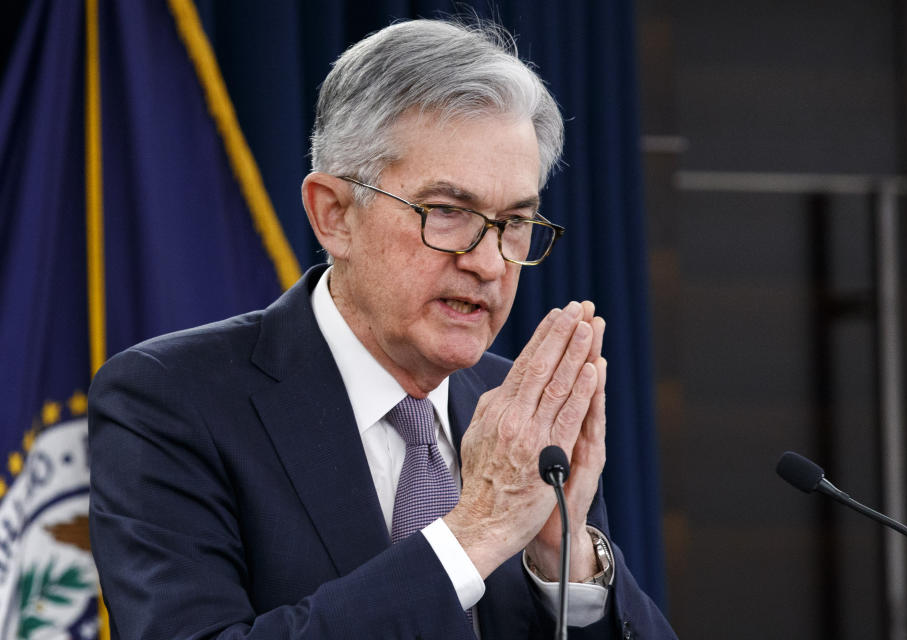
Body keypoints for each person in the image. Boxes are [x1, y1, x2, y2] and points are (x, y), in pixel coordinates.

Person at [89, 18, 676, 640]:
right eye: (448, 212)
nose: (487, 261)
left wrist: (567, 563)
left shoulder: (524, 416)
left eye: (514, 222)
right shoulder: (171, 398)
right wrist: (475, 534)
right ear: (333, 214)